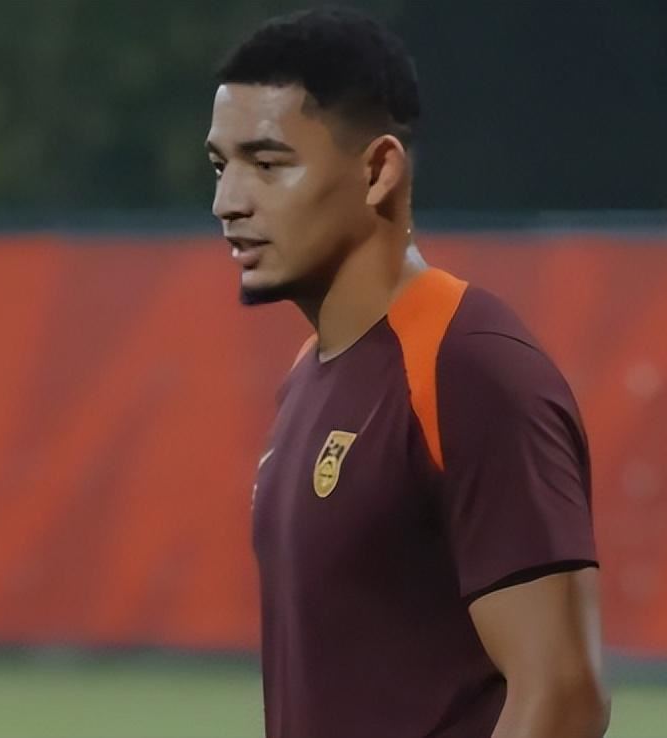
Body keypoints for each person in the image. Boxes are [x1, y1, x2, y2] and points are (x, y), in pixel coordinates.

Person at [205, 7, 609, 737]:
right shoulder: (307, 376)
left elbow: (563, 697)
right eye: (220, 166)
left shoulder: (469, 367)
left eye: (267, 164)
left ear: (378, 170)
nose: (227, 202)